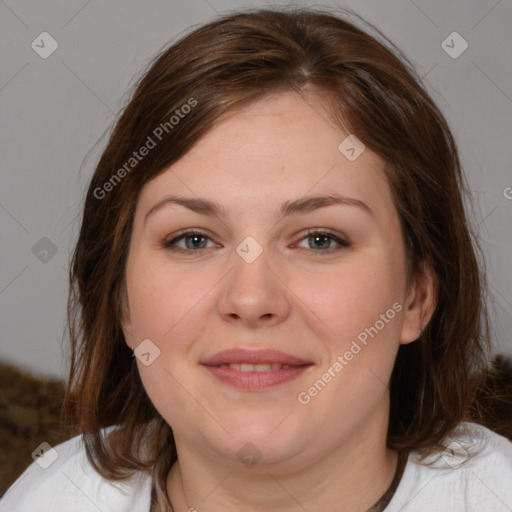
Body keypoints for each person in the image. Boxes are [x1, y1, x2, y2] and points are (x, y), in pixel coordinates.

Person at [1, 7, 511, 512]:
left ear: (417, 296)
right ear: (123, 303)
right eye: (193, 240)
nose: (250, 298)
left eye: (319, 240)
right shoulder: (52, 497)